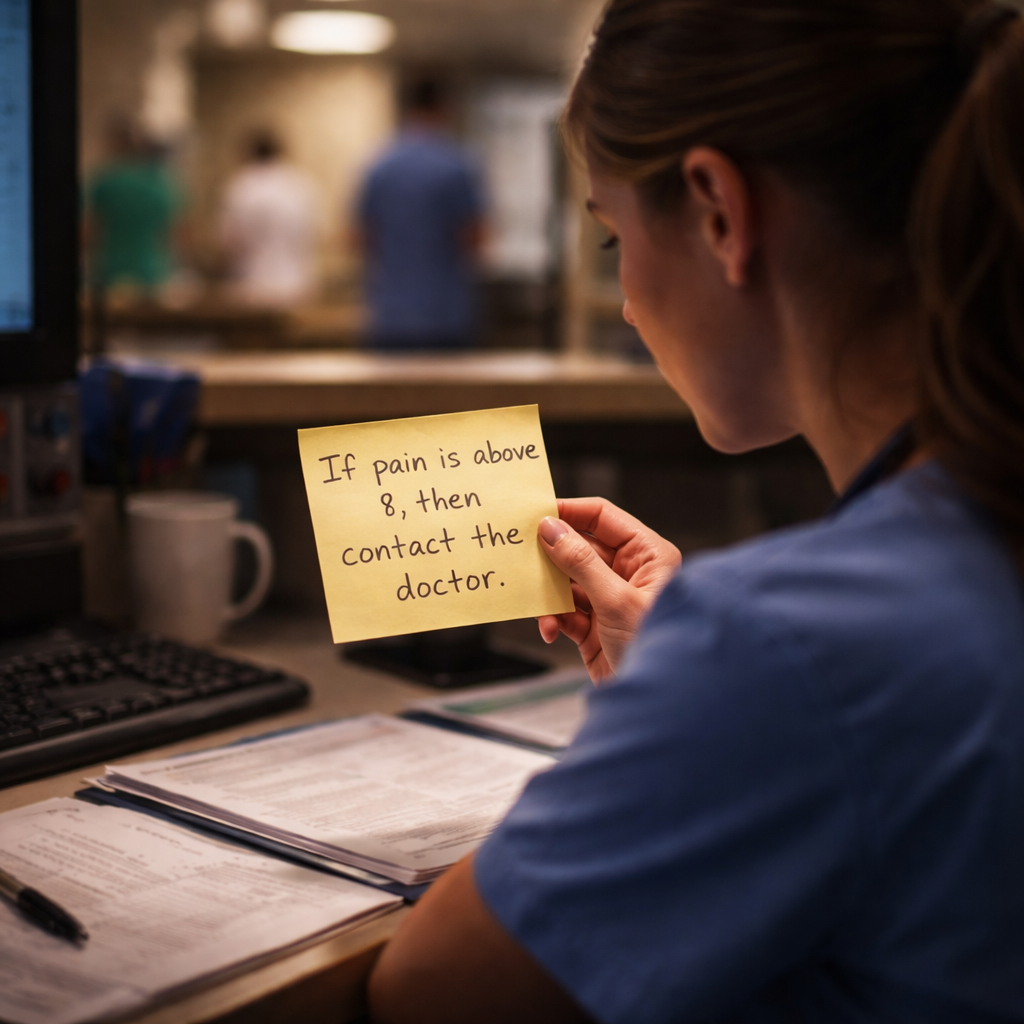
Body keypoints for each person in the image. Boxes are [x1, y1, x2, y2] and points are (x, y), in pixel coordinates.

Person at [367, 1, 1024, 1022]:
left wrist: (702, 702)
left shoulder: (784, 646)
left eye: (611, 240)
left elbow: (427, 995)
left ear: (720, 210)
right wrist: (687, 694)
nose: (625, 300)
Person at [356, 78, 485, 350]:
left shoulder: (380, 166)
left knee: (390, 394)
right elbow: (475, 238)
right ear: (444, 108)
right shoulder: (457, 165)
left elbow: (359, 238)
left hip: (389, 316)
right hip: (445, 317)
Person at [218, 129, 320, 308]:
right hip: (295, 285)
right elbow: (313, 234)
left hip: (251, 285)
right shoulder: (301, 184)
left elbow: (228, 241)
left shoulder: (241, 186)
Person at [84, 116, 183, 295]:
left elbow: (88, 230)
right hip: (151, 272)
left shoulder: (103, 181)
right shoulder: (159, 184)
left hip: (109, 271)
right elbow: (176, 231)